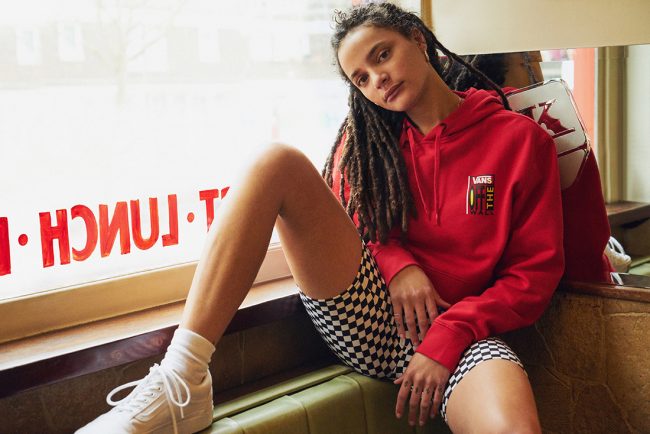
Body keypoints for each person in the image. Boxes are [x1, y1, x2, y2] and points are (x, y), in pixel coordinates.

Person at [77, 3, 564, 433]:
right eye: (361, 78)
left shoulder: (520, 140)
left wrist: (451, 332)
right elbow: (356, 224)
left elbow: (533, 273)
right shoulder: (370, 142)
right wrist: (398, 265)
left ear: (418, 39)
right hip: (368, 313)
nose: (378, 80)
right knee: (276, 162)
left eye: (382, 55)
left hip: (461, 332)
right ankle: (182, 379)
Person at [445, 52, 614, 283]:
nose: (539, 70)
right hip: (571, 285)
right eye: (534, 61)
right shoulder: (549, 119)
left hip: (482, 289)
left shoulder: (445, 128)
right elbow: (587, 233)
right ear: (523, 63)